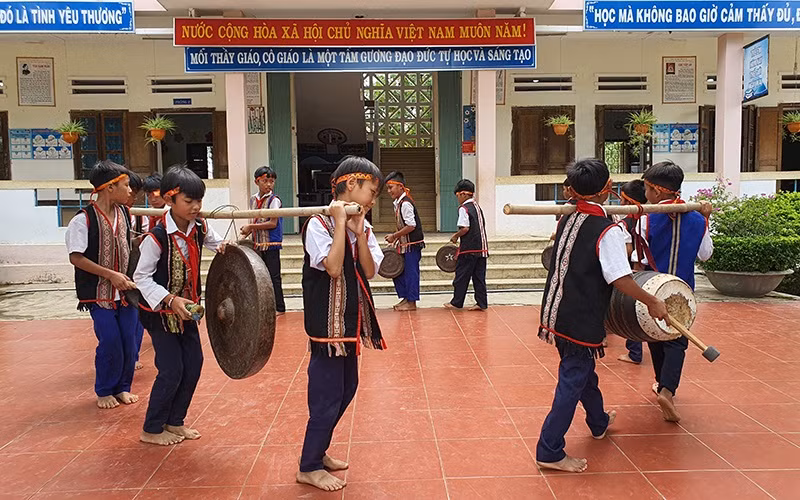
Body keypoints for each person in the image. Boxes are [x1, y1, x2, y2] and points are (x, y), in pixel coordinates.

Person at [535, 158, 668, 473]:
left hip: (556, 311)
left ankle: (597, 420)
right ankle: (549, 449)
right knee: (572, 378)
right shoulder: (606, 230)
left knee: (581, 371)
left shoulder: (568, 216)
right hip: (579, 316)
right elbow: (620, 278)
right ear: (607, 188)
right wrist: (652, 301)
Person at [298, 156, 385, 492]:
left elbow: (368, 270)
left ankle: (318, 452)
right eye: (371, 191)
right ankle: (308, 466)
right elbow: (333, 268)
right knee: (326, 397)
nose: (373, 200)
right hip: (326, 327)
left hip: (349, 325)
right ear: (351, 185)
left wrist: (358, 233)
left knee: (346, 391)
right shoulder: (318, 224)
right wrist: (338, 225)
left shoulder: (362, 223)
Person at [134, 165, 229, 446]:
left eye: (199, 201)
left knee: (194, 365)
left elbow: (217, 244)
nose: (196, 207)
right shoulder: (157, 236)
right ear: (168, 199)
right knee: (171, 369)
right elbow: (141, 277)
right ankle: (151, 428)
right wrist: (171, 299)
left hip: (188, 313)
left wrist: (227, 248)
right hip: (160, 313)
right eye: (189, 201)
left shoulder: (199, 227)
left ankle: (175, 421)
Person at [640, 161, 713, 422]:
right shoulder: (697, 218)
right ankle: (666, 389)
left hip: (651, 288)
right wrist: (705, 220)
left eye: (646, 189)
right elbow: (705, 255)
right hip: (683, 289)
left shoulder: (645, 218)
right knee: (677, 341)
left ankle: (663, 385)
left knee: (655, 335)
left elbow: (638, 256)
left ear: (657, 192)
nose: (645, 195)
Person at [65, 160, 139, 410]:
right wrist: (110, 275)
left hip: (126, 291)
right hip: (99, 293)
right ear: (109, 187)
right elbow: (76, 257)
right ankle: (105, 389)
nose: (130, 191)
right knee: (110, 341)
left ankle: (123, 387)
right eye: (126, 185)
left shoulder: (125, 215)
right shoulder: (83, 220)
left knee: (129, 341)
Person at [241, 166, 286, 315]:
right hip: (258, 243)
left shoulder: (275, 200)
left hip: (271, 244)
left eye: (271, 181)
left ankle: (279, 306)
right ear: (256, 181)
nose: (268, 185)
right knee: (261, 277)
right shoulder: (253, 199)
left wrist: (251, 227)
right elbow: (255, 218)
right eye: (265, 181)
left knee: (274, 277)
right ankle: (266, 306)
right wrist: (247, 233)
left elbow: (273, 223)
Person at [617, 179, 650, 365]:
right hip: (656, 270)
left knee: (632, 311)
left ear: (629, 202)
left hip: (635, 271)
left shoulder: (626, 223)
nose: (620, 204)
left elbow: (628, 250)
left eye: (622, 200)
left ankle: (634, 352)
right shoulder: (654, 216)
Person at [444, 179, 488, 311]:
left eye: (457, 195)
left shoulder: (464, 209)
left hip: (469, 249)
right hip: (482, 248)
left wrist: (455, 236)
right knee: (479, 277)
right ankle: (481, 303)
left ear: (463, 194)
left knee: (461, 276)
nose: (457, 198)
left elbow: (465, 228)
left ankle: (457, 302)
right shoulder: (476, 207)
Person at [384, 171, 424, 311]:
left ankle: (411, 302)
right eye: (388, 188)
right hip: (404, 244)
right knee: (398, 272)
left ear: (400, 186)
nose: (389, 191)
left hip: (412, 245)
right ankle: (405, 298)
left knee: (411, 273)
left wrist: (394, 236)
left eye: (391, 187)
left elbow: (411, 225)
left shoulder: (406, 203)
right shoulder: (398, 203)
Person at [123, 170, 146, 371]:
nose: (132, 194)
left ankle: (132, 356)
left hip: (134, 278)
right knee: (112, 334)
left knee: (136, 321)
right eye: (128, 188)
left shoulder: (140, 219)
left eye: (135, 191)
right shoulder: (92, 217)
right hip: (109, 283)